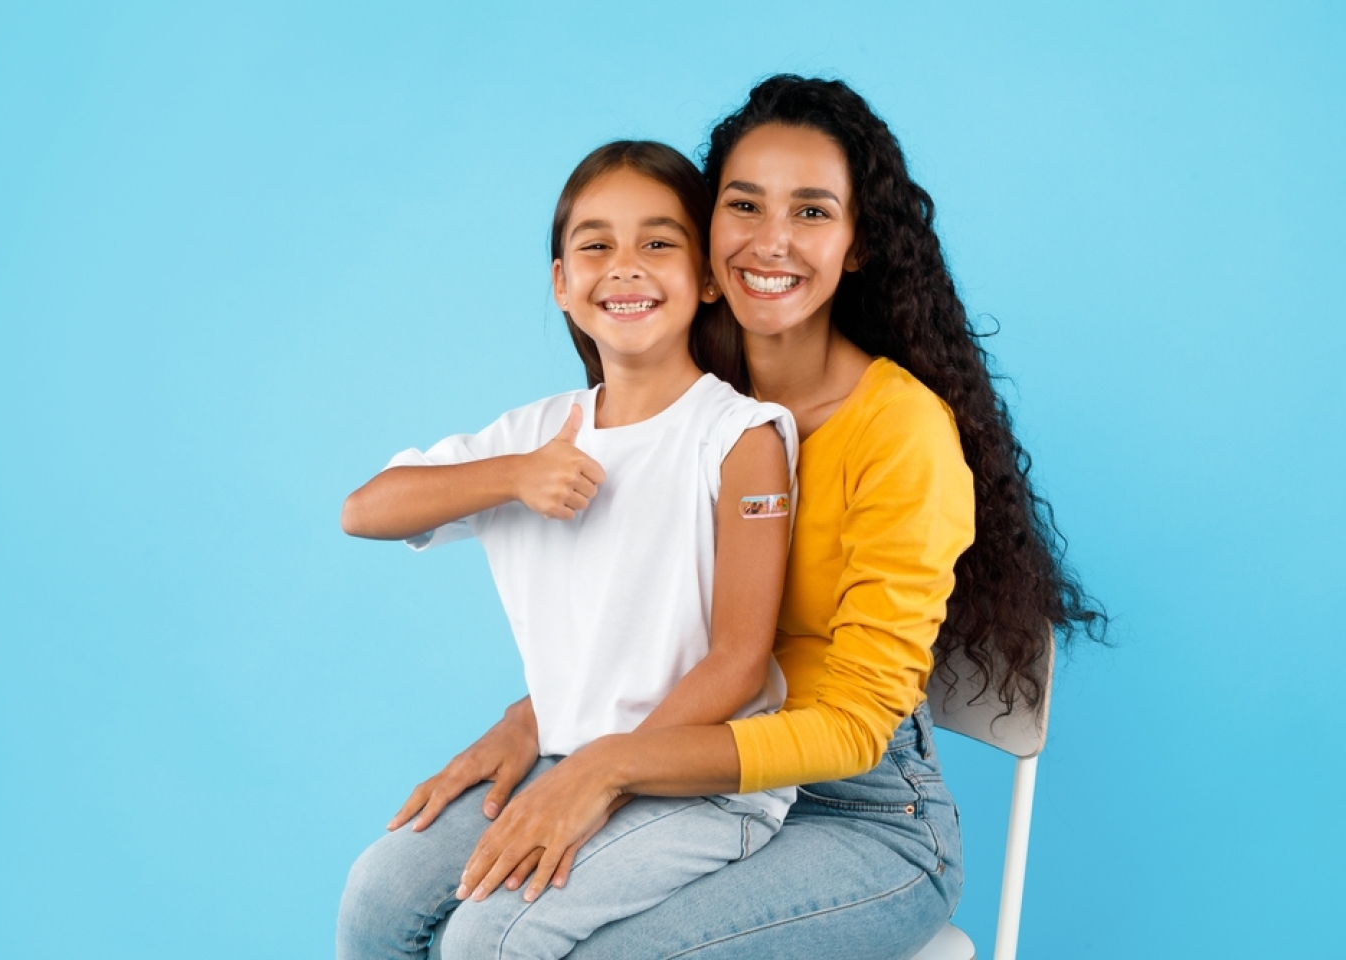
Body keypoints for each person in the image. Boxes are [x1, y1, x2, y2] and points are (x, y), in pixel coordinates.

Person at [412, 76, 1105, 959]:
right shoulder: (694, 396)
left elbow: (853, 729)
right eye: (745, 204)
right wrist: (536, 720)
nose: (772, 240)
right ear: (707, 234)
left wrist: (605, 764)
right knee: (406, 909)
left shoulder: (901, 433)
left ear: (858, 245)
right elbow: (636, 618)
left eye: (812, 212)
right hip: (685, 771)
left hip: (860, 815)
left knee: (544, 948)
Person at [335, 141, 803, 960]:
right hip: (564, 757)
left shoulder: (739, 438)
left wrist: (605, 776)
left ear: (704, 279)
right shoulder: (532, 437)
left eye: (658, 243)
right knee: (378, 893)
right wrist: (515, 476)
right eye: (595, 245)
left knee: (490, 937)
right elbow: (365, 509)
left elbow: (737, 660)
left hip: (703, 786)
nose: (625, 267)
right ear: (560, 282)